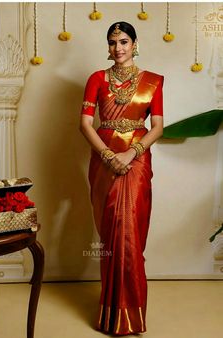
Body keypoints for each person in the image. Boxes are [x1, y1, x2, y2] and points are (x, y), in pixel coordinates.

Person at [80, 21, 164, 336]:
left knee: (132, 230)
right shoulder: (96, 79)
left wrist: (132, 153)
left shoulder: (153, 82)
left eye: (124, 41)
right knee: (110, 231)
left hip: (137, 160)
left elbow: (157, 126)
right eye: (113, 42)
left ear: (134, 44)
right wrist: (108, 156)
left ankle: (133, 315)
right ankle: (111, 314)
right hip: (103, 160)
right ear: (108, 46)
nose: (118, 48)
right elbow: (85, 124)